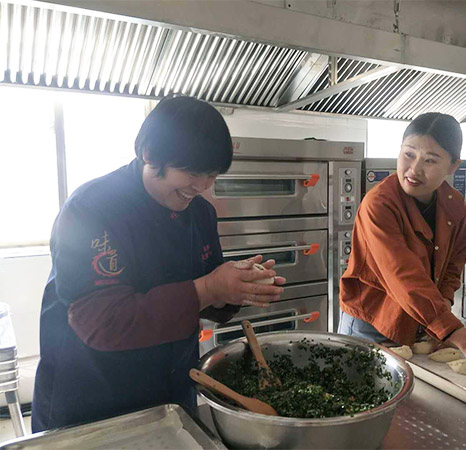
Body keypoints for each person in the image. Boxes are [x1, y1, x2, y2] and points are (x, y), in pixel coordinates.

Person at [31, 96, 285, 432]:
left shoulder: (200, 212)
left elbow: (206, 290)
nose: (203, 187)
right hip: (91, 400)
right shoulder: (91, 209)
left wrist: (233, 288)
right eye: (193, 172)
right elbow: (102, 320)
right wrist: (209, 287)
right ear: (150, 155)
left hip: (171, 393)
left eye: (211, 175)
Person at [338, 112, 466, 401]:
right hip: (372, 323)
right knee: (362, 403)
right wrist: (461, 338)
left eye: (430, 160)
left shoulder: (453, 204)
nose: (414, 169)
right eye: (408, 154)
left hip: (421, 320)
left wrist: (441, 322)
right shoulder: (380, 204)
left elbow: (453, 264)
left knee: (411, 407)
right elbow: (404, 278)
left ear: (453, 166)